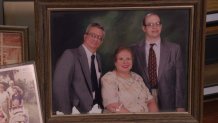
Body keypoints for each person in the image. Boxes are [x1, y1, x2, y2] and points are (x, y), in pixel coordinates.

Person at [131, 12, 186, 112]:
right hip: (142, 100)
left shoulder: (174, 49)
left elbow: (180, 81)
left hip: (169, 100)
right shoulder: (134, 50)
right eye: (150, 24)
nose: (154, 27)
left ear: (161, 26)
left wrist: (180, 105)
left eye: (157, 23)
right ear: (144, 28)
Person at [52, 22, 105, 114]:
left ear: (101, 42)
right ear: (85, 36)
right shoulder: (70, 55)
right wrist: (66, 116)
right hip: (75, 112)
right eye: (93, 35)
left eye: (99, 38)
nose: (96, 39)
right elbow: (59, 88)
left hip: (96, 111)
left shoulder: (98, 58)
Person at [101, 47, 158, 113]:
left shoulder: (137, 78)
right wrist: (134, 120)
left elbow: (151, 101)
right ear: (115, 62)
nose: (125, 62)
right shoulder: (109, 78)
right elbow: (112, 106)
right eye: (121, 59)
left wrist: (152, 119)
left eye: (128, 59)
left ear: (132, 61)